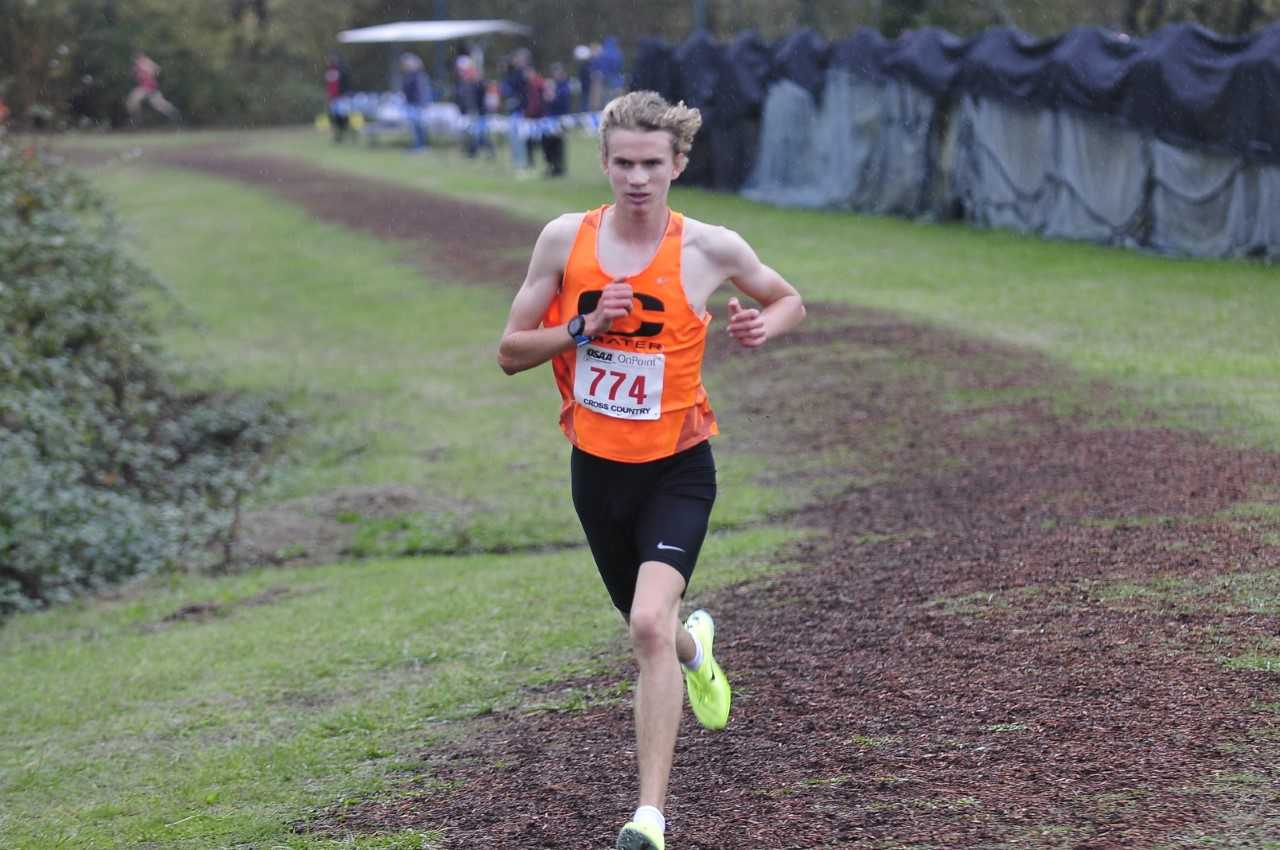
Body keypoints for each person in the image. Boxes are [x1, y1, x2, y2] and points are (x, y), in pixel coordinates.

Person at [496, 90, 805, 850]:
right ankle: (697, 649)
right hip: (597, 473)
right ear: (603, 163)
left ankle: (650, 819)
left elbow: (788, 296)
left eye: (652, 165)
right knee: (658, 634)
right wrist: (581, 326)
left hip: (678, 469)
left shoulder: (710, 248)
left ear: (677, 166)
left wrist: (767, 322)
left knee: (643, 624)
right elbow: (509, 351)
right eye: (624, 164)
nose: (637, 178)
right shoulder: (563, 241)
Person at [125, 51, 181, 125]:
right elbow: (156, 70)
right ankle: (175, 114)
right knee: (161, 105)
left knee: (132, 100)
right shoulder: (140, 65)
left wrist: (149, 69)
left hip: (147, 88)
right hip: (151, 89)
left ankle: (137, 120)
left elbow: (157, 69)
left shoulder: (144, 63)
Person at [541, 63, 572, 178]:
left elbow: (561, 103)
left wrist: (552, 96)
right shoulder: (553, 85)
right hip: (549, 120)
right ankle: (551, 166)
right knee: (548, 144)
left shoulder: (563, 87)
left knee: (558, 144)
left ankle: (559, 168)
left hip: (560, 119)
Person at [400, 53, 430, 152]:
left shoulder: (419, 76)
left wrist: (422, 103)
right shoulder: (408, 75)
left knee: (419, 125)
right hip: (411, 104)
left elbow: (422, 91)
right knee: (415, 127)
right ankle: (418, 145)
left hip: (417, 104)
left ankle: (421, 146)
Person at [324, 54, 352, 144]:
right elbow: (329, 86)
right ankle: (338, 135)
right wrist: (328, 95)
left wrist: (346, 94)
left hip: (342, 97)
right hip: (333, 98)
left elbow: (346, 83)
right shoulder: (329, 71)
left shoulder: (342, 70)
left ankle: (345, 134)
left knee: (343, 116)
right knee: (334, 117)